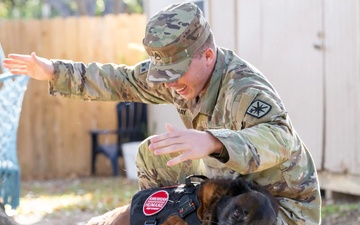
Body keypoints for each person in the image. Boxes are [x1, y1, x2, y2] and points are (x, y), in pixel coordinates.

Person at [2, 2, 321, 225]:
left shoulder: (244, 89)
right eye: (164, 74)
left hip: (277, 208)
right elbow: (122, 80)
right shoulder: (178, 79)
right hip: (232, 189)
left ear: (207, 56)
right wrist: (54, 71)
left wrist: (213, 142)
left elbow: (281, 139)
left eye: (177, 73)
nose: (170, 83)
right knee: (154, 153)